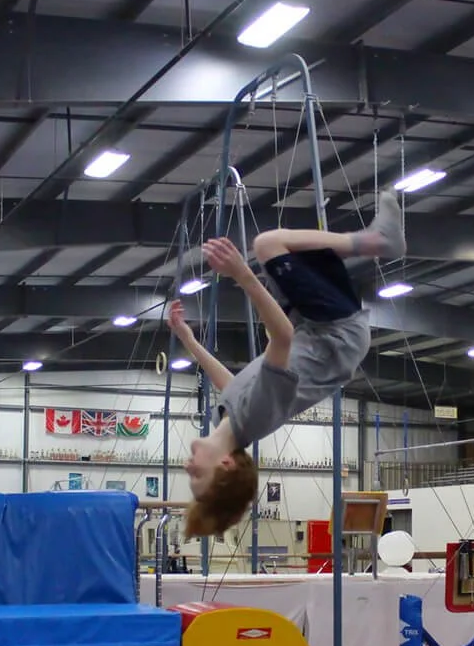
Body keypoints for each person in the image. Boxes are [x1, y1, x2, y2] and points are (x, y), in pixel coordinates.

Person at [168, 193, 405, 540]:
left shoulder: (230, 419)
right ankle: (378, 242)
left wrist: (189, 340)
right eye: (196, 476)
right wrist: (242, 275)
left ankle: (373, 241)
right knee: (268, 245)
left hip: (314, 325)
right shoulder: (256, 417)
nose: (188, 467)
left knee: (280, 252)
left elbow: (231, 383)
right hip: (336, 335)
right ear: (225, 464)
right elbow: (281, 337)